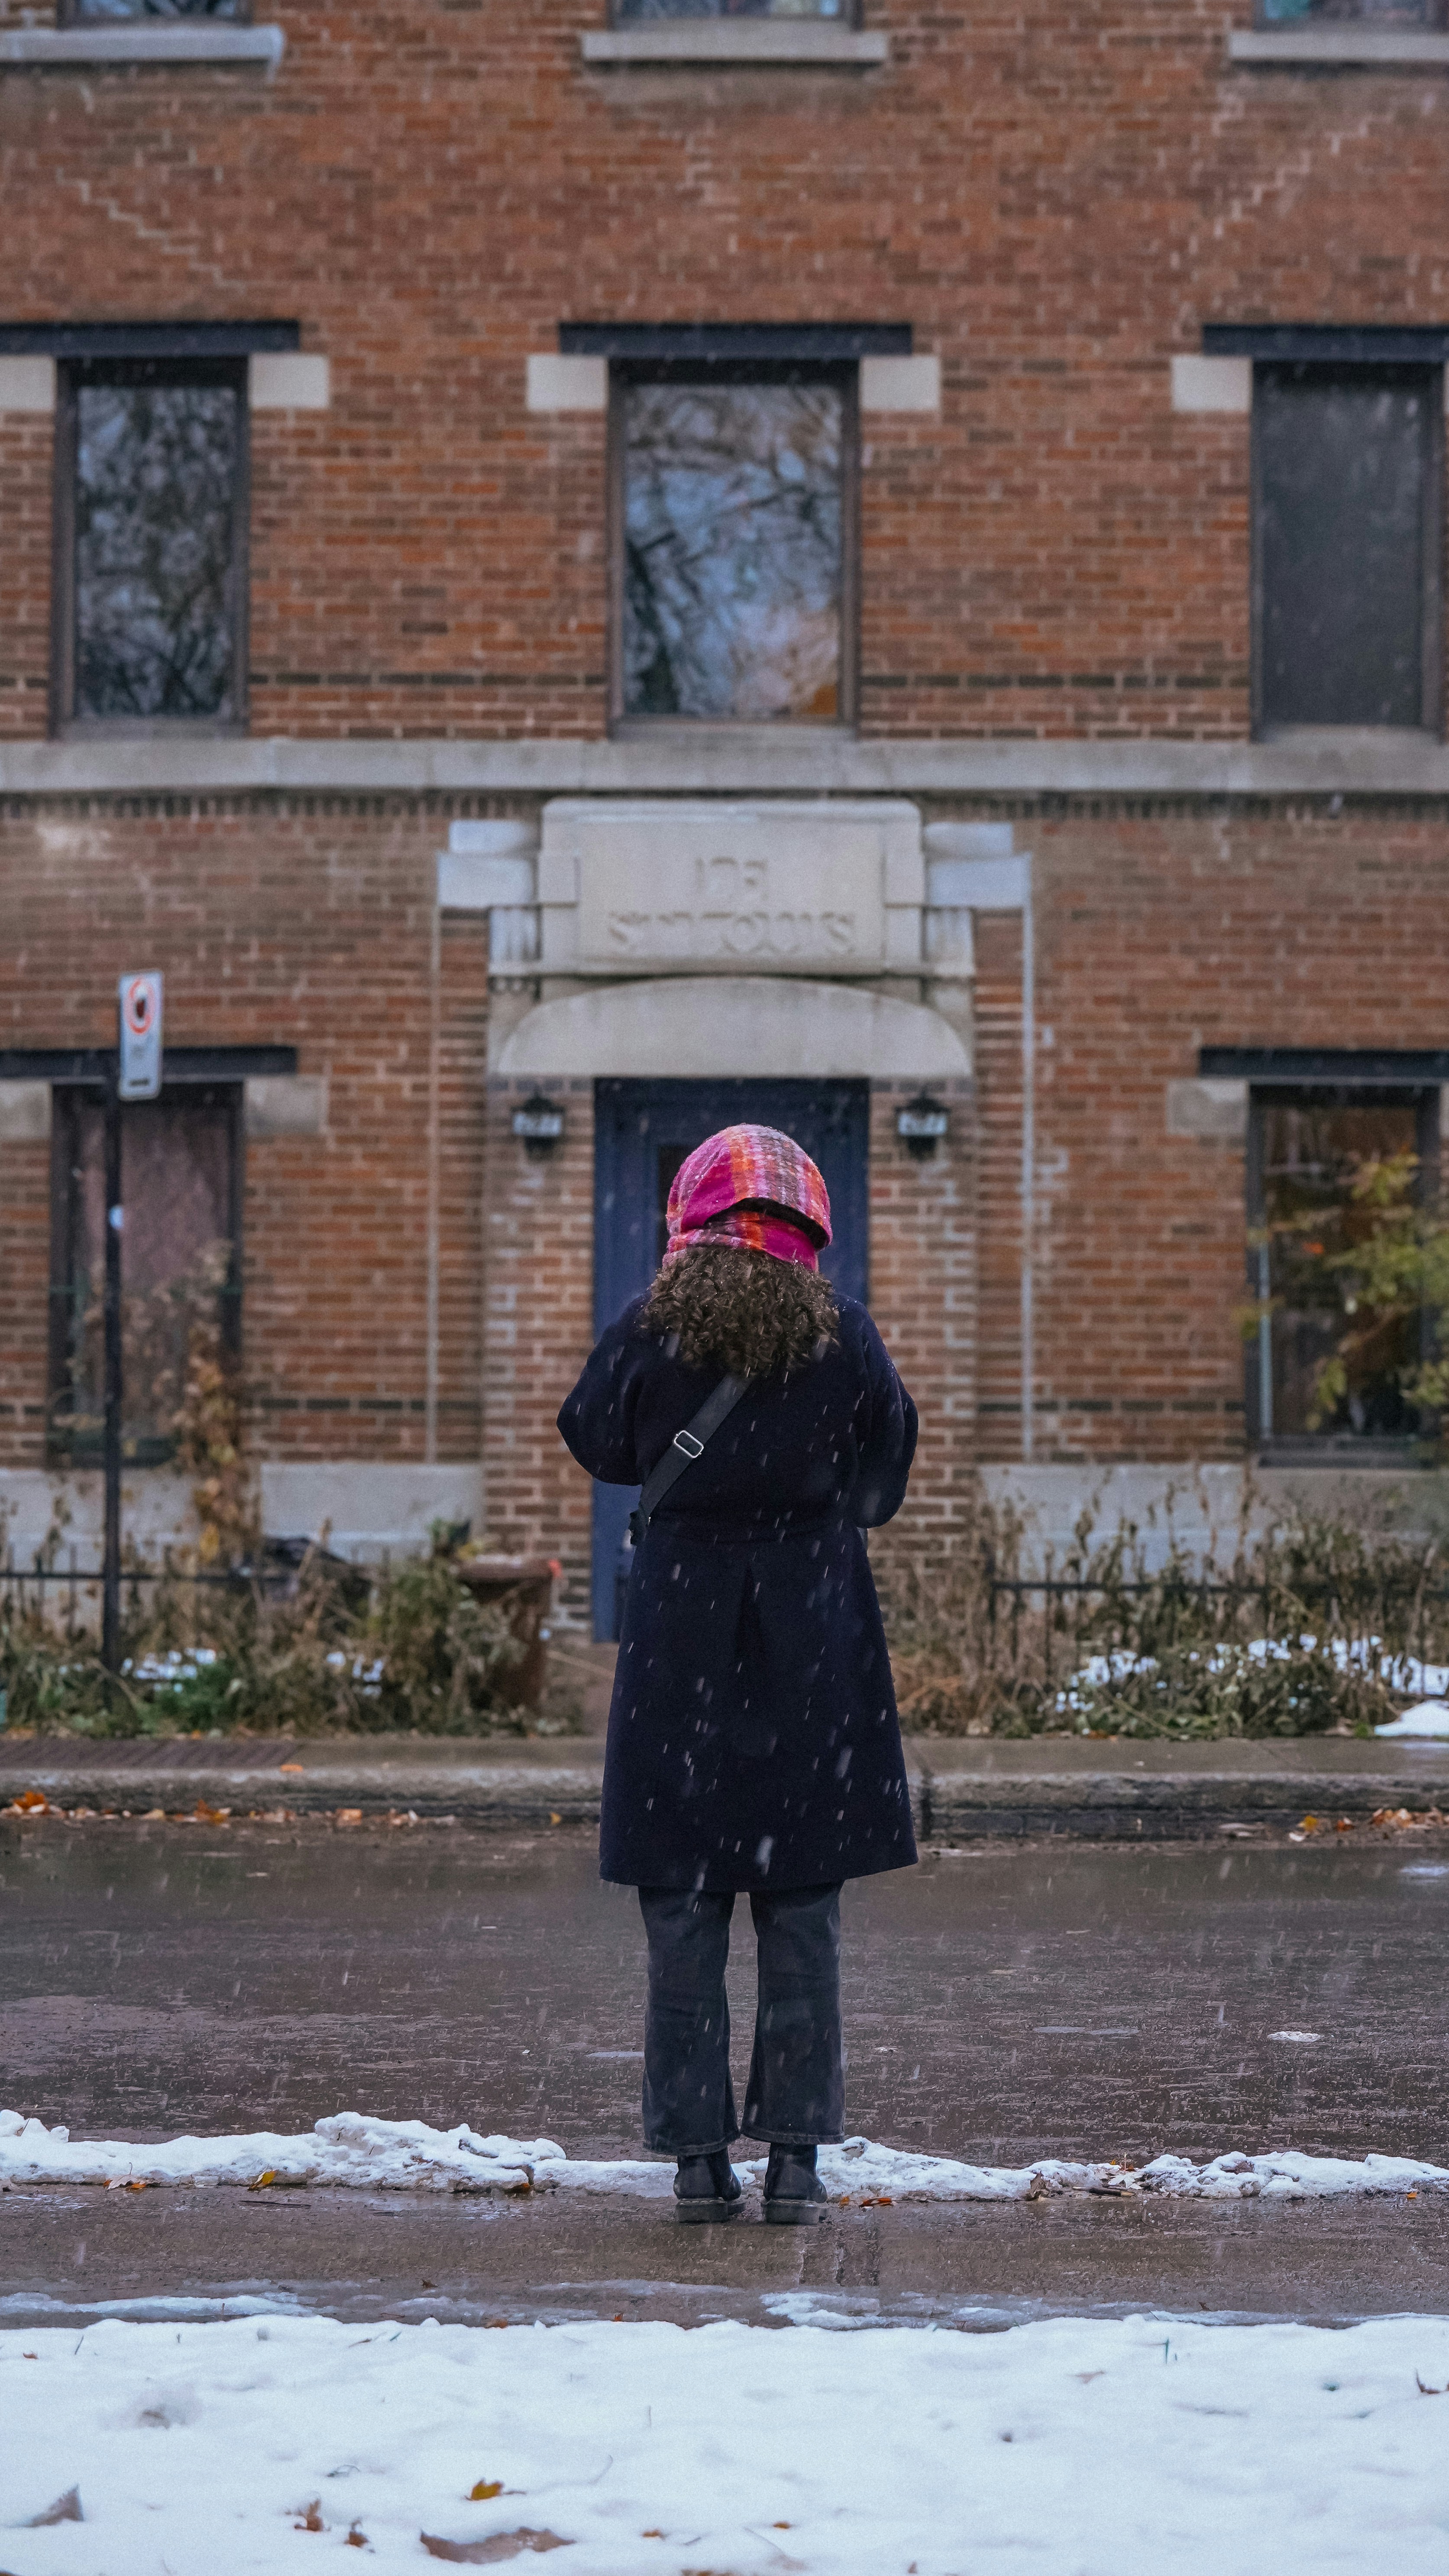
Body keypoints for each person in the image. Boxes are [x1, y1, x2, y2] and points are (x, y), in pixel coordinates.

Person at [558, 1123, 918, 2226]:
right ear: (807, 1223)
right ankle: (797, 2158)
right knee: (801, 1907)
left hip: (682, 1648)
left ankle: (696, 2161)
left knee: (685, 1911)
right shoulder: (842, 1336)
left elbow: (593, 1439)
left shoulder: (650, 1329)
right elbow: (885, 1469)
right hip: (815, 1645)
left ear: (690, 1222)